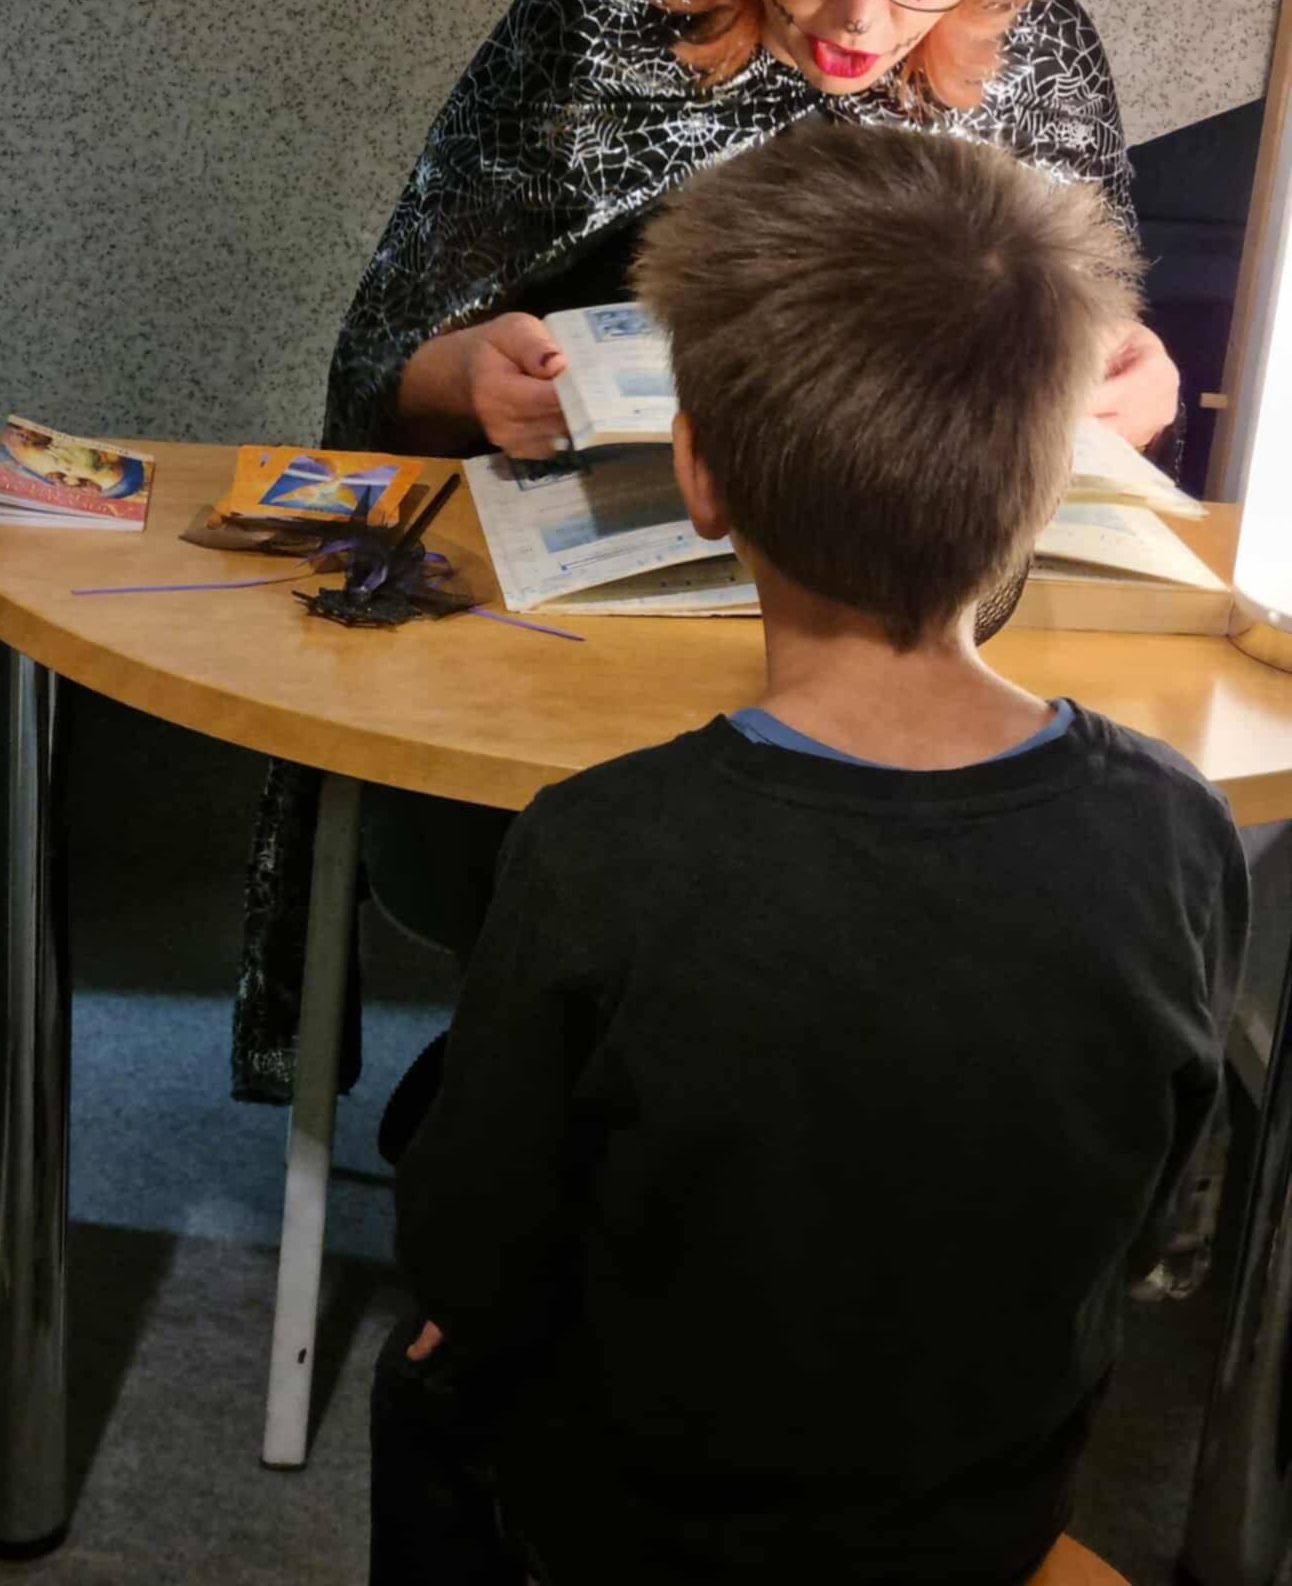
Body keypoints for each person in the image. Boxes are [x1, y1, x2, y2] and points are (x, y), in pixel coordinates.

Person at [232, 0, 1181, 1113]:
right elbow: (389, 358)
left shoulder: (1039, 48)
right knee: (636, 937)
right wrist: (466, 377)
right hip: (581, 648)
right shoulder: (608, 19)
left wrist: (1129, 385)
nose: (862, 13)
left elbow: (1108, 357)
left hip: (924, 652)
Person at [370, 119, 1247, 1586]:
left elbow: (475, 1250)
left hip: (647, 1535)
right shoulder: (1177, 824)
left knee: (426, 1378)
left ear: (699, 477)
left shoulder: (604, 847)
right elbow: (1153, 1211)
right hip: (984, 1515)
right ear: (1056, 486)